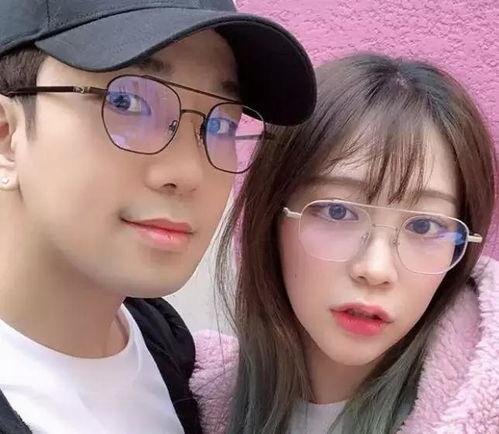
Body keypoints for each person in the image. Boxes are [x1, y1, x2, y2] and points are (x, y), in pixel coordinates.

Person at [0, 1, 316, 433]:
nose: (188, 173)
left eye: (220, 124)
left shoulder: (170, 350)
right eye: (128, 102)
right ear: (6, 136)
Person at [191, 53, 499, 433]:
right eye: (338, 212)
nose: (375, 269)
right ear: (272, 218)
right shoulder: (184, 400)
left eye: (424, 226)